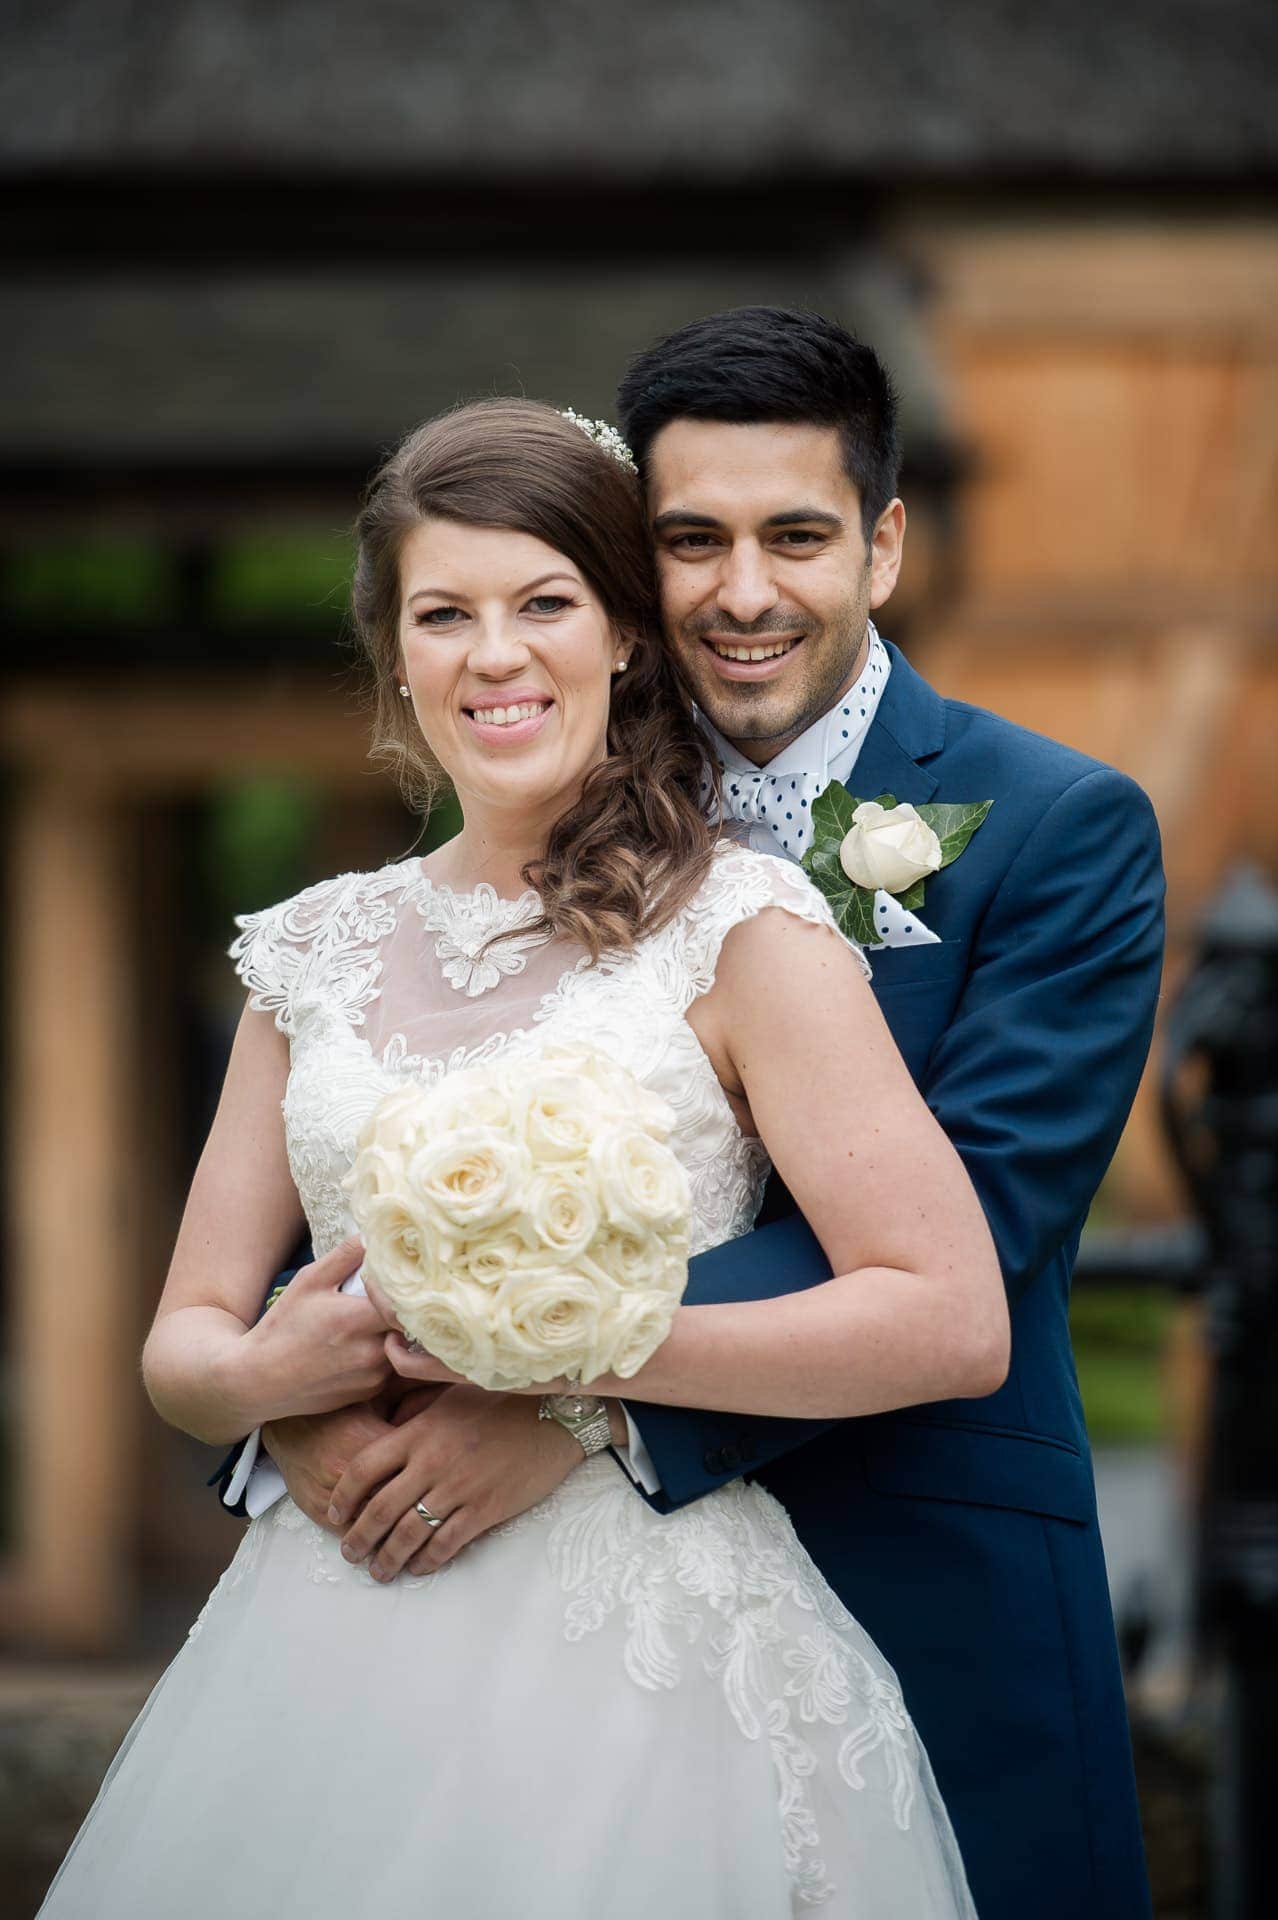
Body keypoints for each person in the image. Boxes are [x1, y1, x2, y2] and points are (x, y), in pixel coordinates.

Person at [226, 311, 1165, 1920]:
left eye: (795, 536)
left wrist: (550, 1390)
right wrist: (295, 1396)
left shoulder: (1059, 828)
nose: (741, 593)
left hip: (910, 1552)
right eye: (688, 542)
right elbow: (374, 1128)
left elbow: (986, 1234)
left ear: (880, 545)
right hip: (505, 1616)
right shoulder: (528, 803)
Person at [41, 396, 1000, 1918]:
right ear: (395, 649)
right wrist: (269, 1380)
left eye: (543, 603)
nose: (495, 655)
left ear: (623, 633)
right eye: (445, 614)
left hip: (645, 1654)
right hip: (325, 1637)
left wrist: (581, 1361)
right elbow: (184, 1345)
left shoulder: (743, 932)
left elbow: (947, 1317)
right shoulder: (308, 956)